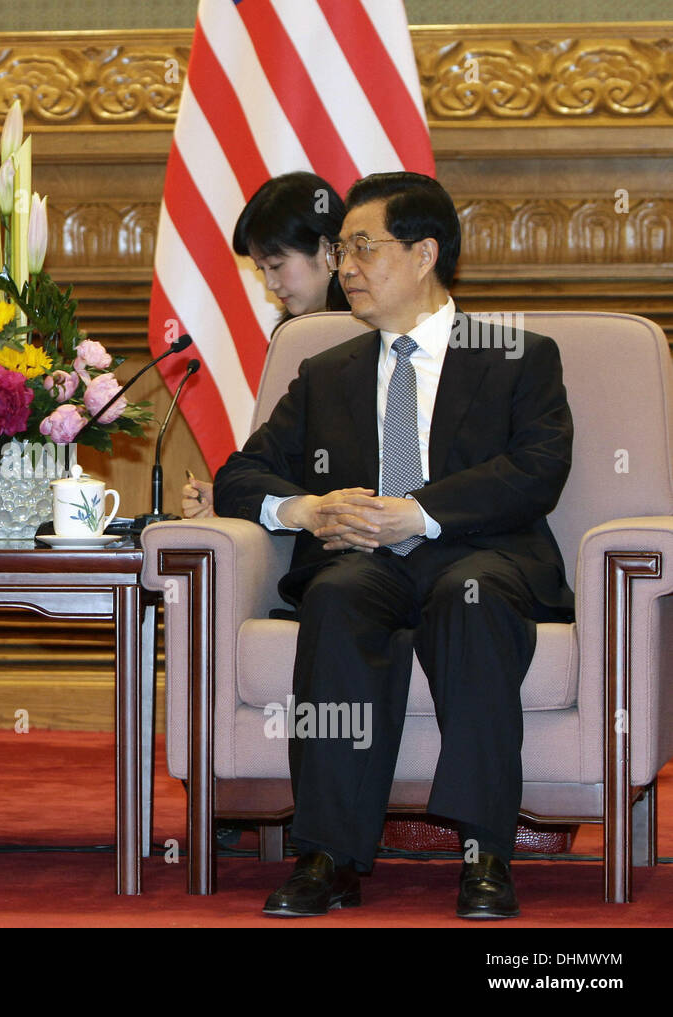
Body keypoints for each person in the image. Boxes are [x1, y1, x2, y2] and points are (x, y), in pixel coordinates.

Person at [213, 171, 573, 919]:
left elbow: (536, 471)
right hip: (363, 563)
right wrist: (306, 509)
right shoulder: (326, 371)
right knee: (337, 595)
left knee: (467, 601)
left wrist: (420, 512)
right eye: (340, 250)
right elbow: (239, 475)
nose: (344, 267)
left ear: (423, 254)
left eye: (362, 248)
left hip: (480, 556)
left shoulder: (517, 355)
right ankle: (328, 855)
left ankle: (485, 854)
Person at [183, 172, 350, 517]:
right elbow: (286, 455)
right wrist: (233, 496)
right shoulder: (291, 337)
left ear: (324, 248)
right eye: (262, 269)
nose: (270, 283)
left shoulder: (371, 330)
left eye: (277, 265)